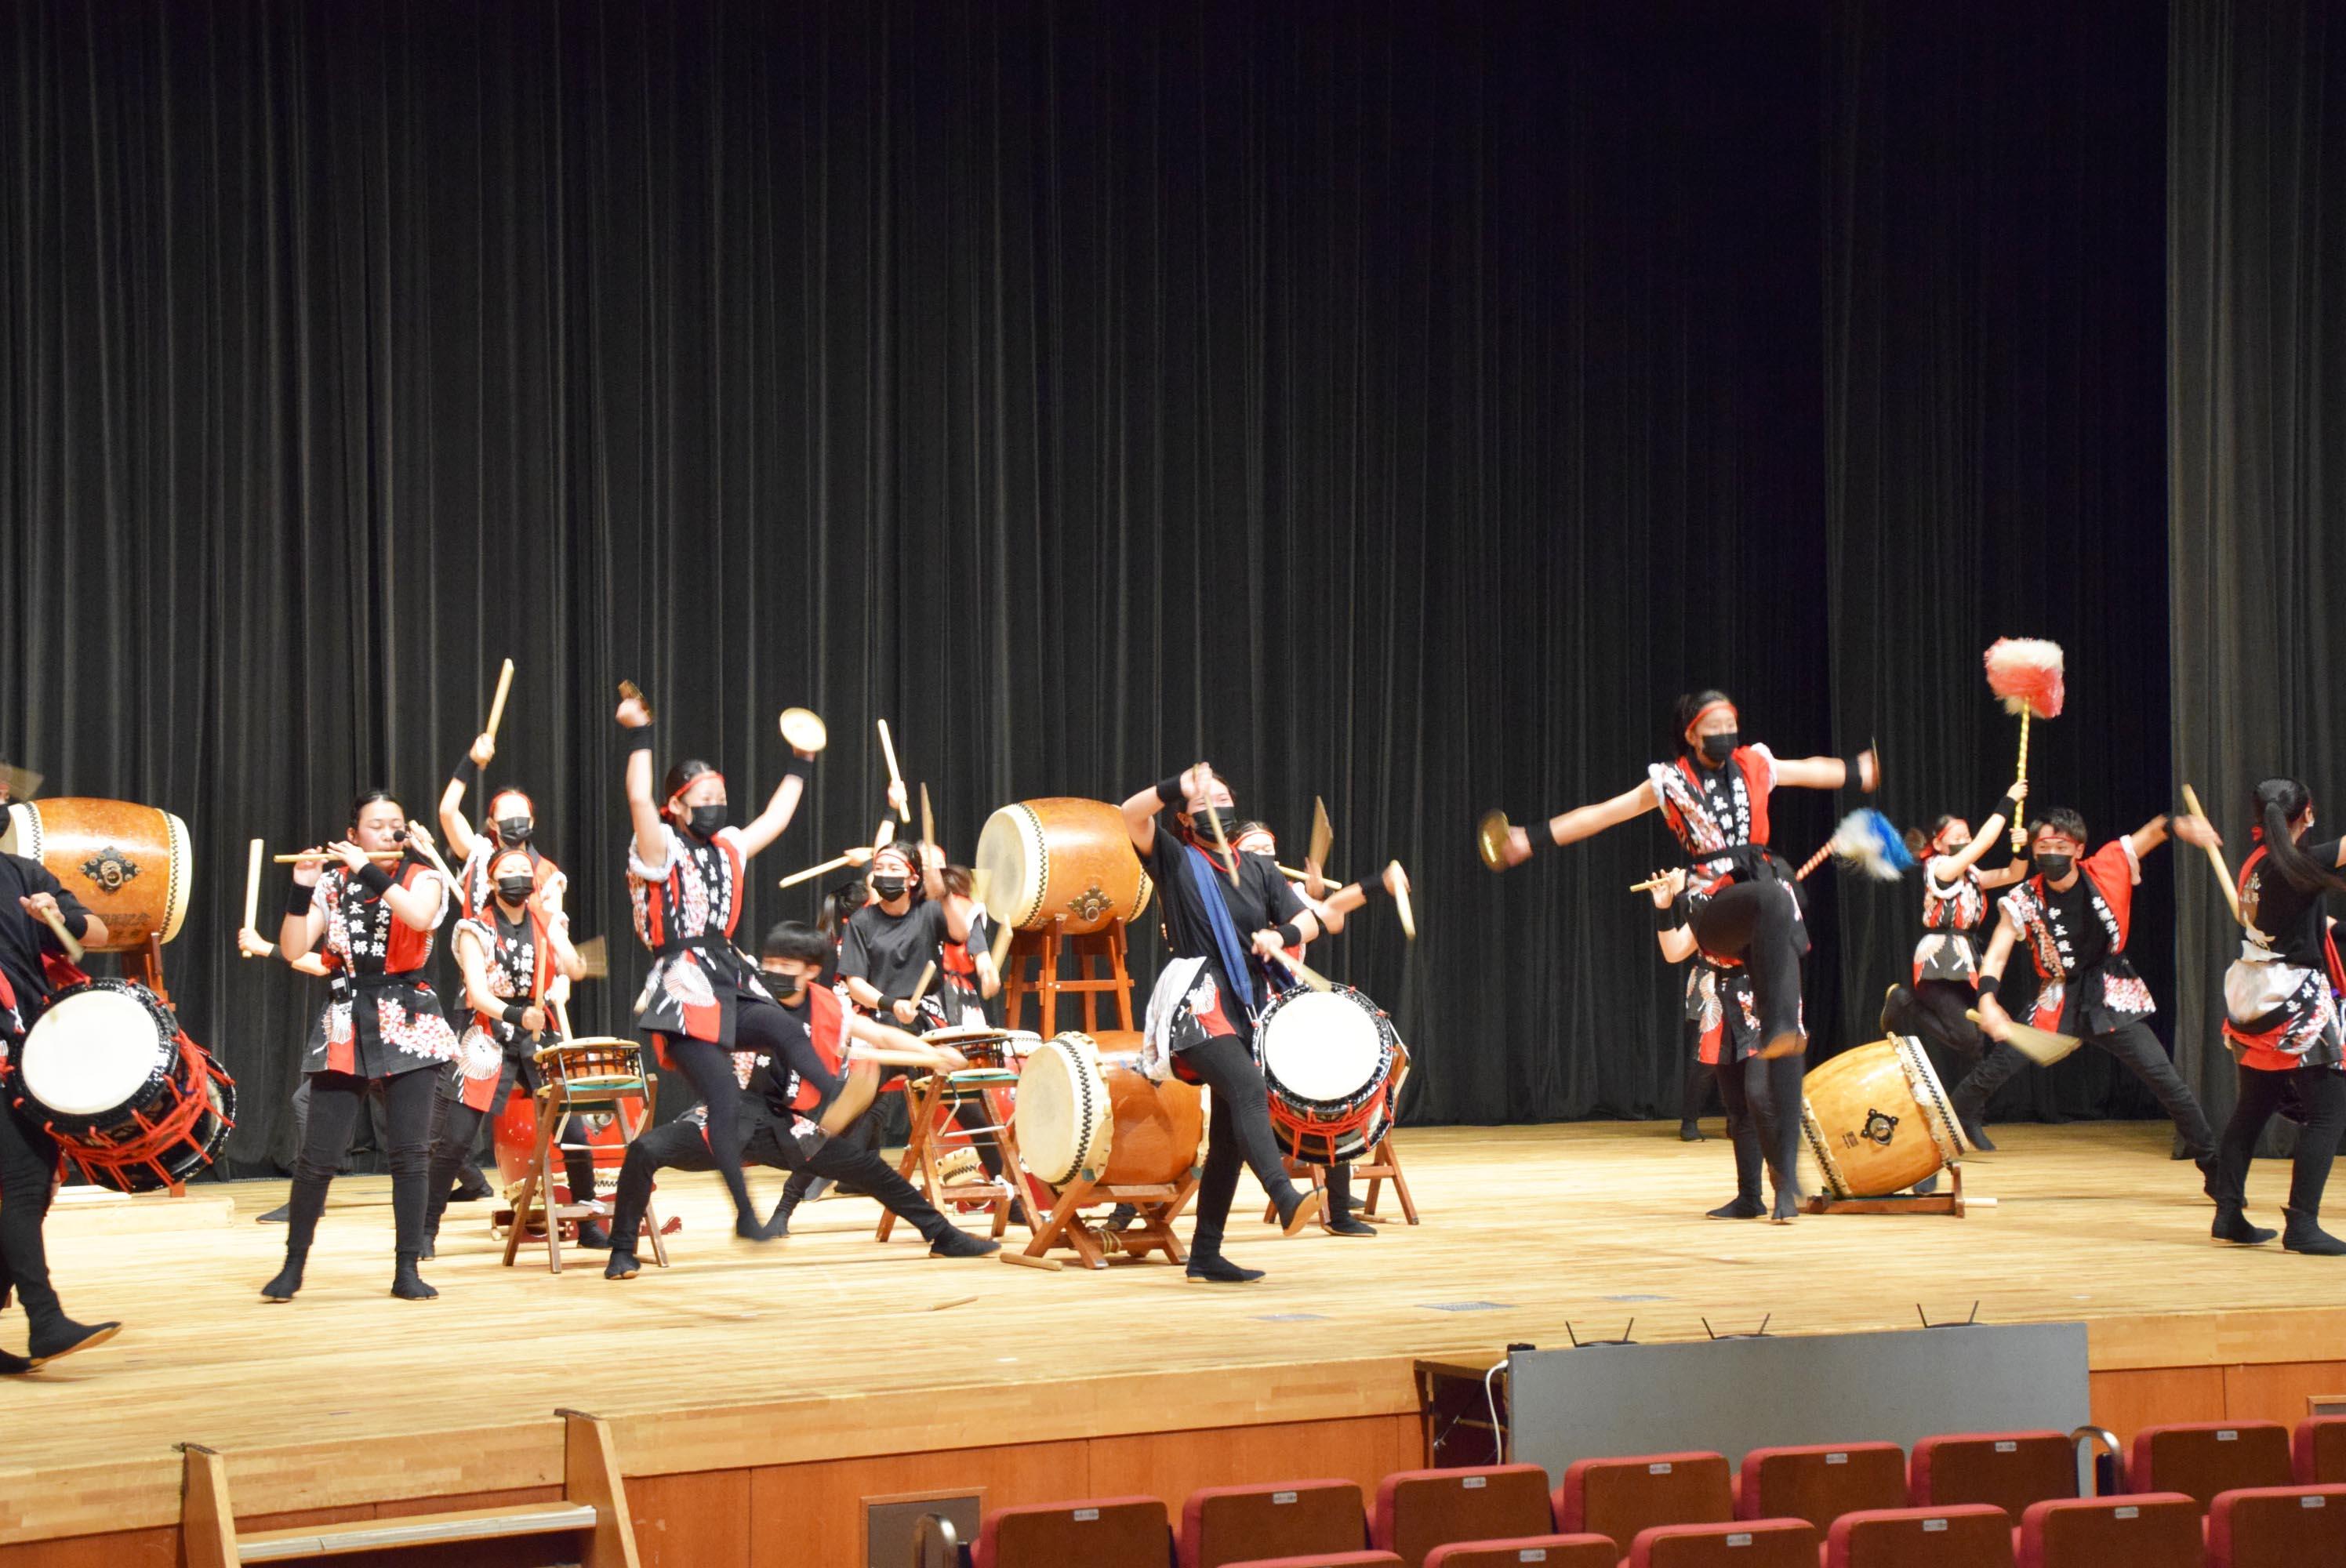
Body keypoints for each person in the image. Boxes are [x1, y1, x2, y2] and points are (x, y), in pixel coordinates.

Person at [1491, 689, 1879, 1218]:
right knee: (1767, 903)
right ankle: (1778, 1041)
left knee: (1772, 1058)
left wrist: (1858, 770)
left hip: (1768, 910)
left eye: (1731, 720)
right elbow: (1603, 814)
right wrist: (1531, 838)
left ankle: (1774, 1183)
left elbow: (1811, 769)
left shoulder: (1757, 762)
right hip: (1716, 904)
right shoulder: (1668, 780)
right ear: (1692, 733)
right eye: (1713, 723)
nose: (1726, 729)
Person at [603, 922, 999, 1277]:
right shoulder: (740, 993)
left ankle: (943, 1235)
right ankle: (622, 1251)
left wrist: (931, 1054)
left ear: (811, 971)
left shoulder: (828, 1007)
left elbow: (880, 1036)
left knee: (870, 1170)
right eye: (770, 960)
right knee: (644, 1150)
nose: (773, 969)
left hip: (784, 1124)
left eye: (785, 965)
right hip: (727, 1113)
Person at [616, 690, 844, 1240]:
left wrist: (801, 759)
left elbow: (777, 816)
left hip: (726, 971)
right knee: (721, 1096)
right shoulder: (658, 847)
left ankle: (834, 1096)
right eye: (706, 795)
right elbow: (639, 798)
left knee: (782, 1025)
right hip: (682, 982)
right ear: (677, 804)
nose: (719, 802)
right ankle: (745, 1213)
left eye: (722, 793)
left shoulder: (729, 845)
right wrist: (640, 734)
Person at [1122, 764, 1324, 1283]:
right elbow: (1128, 814)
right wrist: (1174, 787)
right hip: (1196, 1001)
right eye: (1201, 798)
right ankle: (1283, 1194)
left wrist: (1282, 934)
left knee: (1233, 1133)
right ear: (1185, 819)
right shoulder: (1175, 859)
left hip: (1243, 1003)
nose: (1215, 802)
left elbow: (1311, 919)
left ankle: (1205, 1253)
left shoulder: (1259, 870)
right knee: (1247, 1087)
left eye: (1221, 794)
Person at [262, 795, 460, 1303]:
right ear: (353, 835)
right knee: (317, 1157)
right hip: (349, 1015)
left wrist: (369, 870)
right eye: (377, 825)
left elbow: (418, 918)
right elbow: (290, 948)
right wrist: (300, 889)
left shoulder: (425, 876)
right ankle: (293, 1266)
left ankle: (407, 1268)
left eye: (397, 823)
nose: (390, 831)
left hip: (409, 1017)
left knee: (410, 1154)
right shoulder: (334, 881)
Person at [1968, 806, 2223, 1185]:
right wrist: (1988, 999)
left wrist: (2179, 825)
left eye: (2060, 844)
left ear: (2079, 849)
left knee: (2165, 1079)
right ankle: (1943, 1138)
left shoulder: (2108, 866)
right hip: (2057, 996)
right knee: (1996, 1068)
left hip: (2110, 993)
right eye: (2043, 844)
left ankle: (2216, 1172)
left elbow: (2154, 830)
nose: (2051, 851)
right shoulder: (2023, 897)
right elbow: (1999, 950)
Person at [1234, 820, 1411, 1238]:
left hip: (1289, 1017)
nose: (1266, 858)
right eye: (1254, 849)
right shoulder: (1229, 898)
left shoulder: (1289, 897)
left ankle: (1337, 1208)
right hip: (1244, 1014)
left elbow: (1332, 915)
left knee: (1334, 1089)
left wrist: (1378, 883)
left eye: (1270, 851)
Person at [421, 844, 600, 1258]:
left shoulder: (544, 923)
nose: (519, 875)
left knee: (573, 1129)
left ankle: (589, 1225)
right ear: (491, 881)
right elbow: (478, 994)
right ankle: (424, 1230)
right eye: (509, 870)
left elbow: (575, 969)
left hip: (537, 1034)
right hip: (488, 1032)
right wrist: (519, 1015)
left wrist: (562, 941)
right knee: (457, 1138)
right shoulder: (473, 929)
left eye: (525, 869)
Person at [2207, 779, 2346, 1254]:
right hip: (2291, 1000)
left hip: (2256, 992)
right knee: (2328, 1113)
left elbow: (2307, 920)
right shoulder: (2296, 862)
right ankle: (2302, 1225)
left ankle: (2228, 1213)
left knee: (2253, 1108)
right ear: (2307, 813)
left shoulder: (2259, 862)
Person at [0, 824, 117, 1371]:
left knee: (32, 1184)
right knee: (24, 1184)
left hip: (23, 1049)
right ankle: (44, 1320)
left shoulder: (24, 874)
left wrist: (58, 915)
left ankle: (43, 1322)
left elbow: (92, 932)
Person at [1879, 787, 2031, 1147]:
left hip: (1968, 961)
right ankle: (1907, 1003)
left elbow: (2013, 873)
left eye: (1967, 835)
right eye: (1958, 837)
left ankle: (1970, 1119)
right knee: (1966, 1037)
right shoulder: (1942, 869)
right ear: (1940, 843)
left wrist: (2021, 847)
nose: (1965, 841)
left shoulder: (1971, 874)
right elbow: (1983, 842)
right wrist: (2007, 801)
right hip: (1939, 962)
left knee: (1975, 1045)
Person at [1647, 867, 1770, 1218]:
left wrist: (1688, 896)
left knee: (1758, 1097)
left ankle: (1783, 1181)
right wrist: (1664, 907)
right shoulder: (1704, 899)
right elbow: (1674, 952)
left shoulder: (1747, 893)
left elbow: (1729, 938)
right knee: (1738, 1108)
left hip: (1759, 1001)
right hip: (1721, 1003)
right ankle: (1750, 1197)